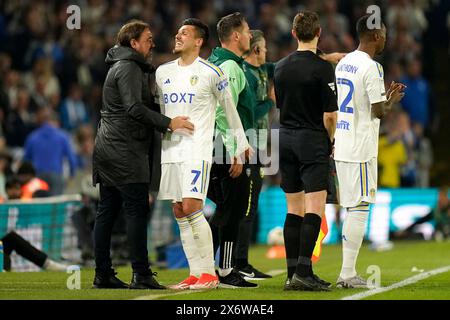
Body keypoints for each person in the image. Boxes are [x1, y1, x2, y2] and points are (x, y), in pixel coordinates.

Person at [92, 20, 194, 290]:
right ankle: (141, 274)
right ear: (133, 43)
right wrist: (168, 122)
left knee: (108, 211)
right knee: (136, 211)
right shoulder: (128, 67)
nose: (153, 43)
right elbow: (133, 109)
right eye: (148, 39)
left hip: (109, 148)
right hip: (124, 151)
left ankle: (103, 274)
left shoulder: (121, 66)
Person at [155, 18, 251, 290]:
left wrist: (238, 148)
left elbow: (230, 113)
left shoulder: (212, 73)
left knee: (192, 206)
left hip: (197, 150)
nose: (177, 36)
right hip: (170, 150)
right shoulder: (163, 73)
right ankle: (196, 273)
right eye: (177, 32)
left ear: (198, 41)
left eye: (184, 33)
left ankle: (209, 273)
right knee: (178, 210)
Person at [334, 14, 405, 288]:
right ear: (375, 36)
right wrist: (392, 100)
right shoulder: (373, 67)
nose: (386, 37)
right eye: (384, 33)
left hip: (342, 141)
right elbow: (378, 111)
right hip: (361, 146)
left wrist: (383, 99)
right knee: (360, 206)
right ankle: (348, 274)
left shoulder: (344, 63)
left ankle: (346, 272)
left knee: (352, 206)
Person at [274, 11, 338, 291]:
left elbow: (279, 102)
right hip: (311, 138)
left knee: (293, 210)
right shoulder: (323, 68)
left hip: (284, 138)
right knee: (314, 207)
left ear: (293, 33)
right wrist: (330, 140)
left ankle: (293, 274)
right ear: (319, 33)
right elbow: (330, 116)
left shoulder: (280, 66)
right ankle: (303, 271)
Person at [207, 12, 258, 288]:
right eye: (248, 31)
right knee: (233, 208)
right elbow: (223, 112)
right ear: (236, 35)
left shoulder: (215, 62)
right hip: (226, 145)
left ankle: (209, 267)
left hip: (216, 144)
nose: (251, 35)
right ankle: (225, 270)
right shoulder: (231, 67)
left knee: (225, 209)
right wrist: (236, 150)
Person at [23, 106, 77, 195]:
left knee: (40, 205)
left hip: (38, 176)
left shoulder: (32, 137)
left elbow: (25, 160)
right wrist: (72, 175)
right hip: (56, 176)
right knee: (56, 204)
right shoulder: (62, 136)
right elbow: (72, 159)